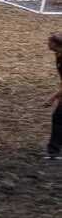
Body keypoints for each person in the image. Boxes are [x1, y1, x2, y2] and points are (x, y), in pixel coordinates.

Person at [41, 32, 62, 160]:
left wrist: (53, 96)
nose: (47, 43)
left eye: (50, 41)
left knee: (59, 118)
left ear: (57, 44)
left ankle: (54, 151)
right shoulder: (58, 55)